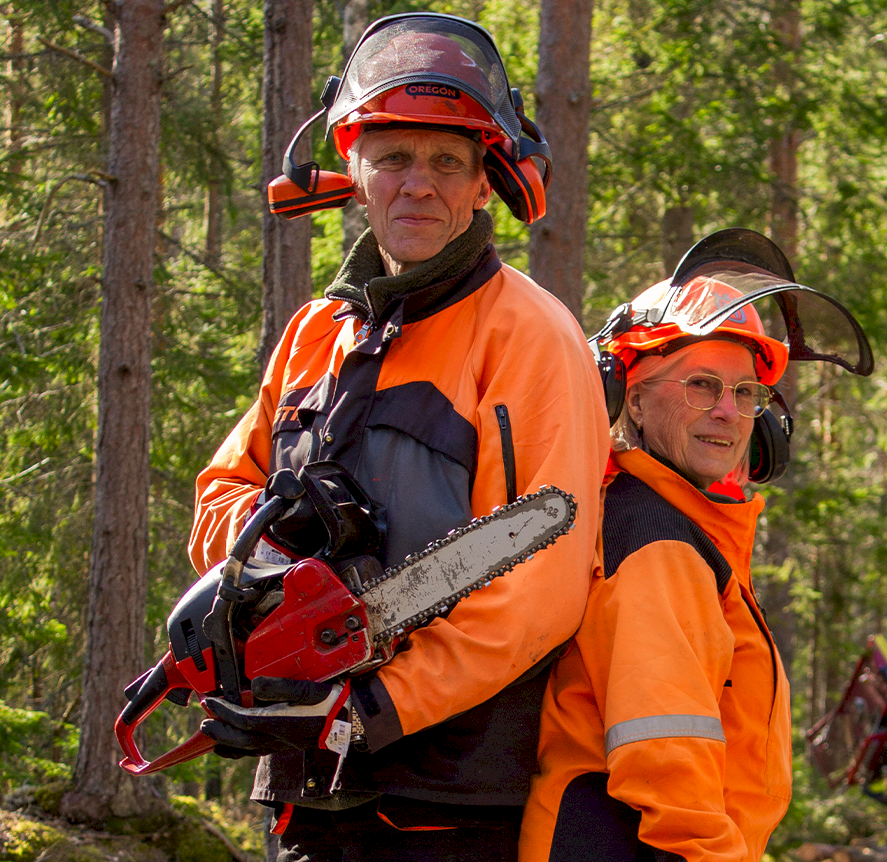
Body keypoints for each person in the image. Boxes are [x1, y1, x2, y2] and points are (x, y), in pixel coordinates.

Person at [185, 12, 609, 862]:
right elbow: (219, 494)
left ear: (484, 181)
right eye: (394, 158)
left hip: (447, 793)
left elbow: (543, 582)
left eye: (446, 161)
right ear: (354, 169)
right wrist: (275, 559)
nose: (419, 184)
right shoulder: (317, 330)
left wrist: (378, 705)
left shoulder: (528, 335)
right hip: (305, 777)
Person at [519, 230, 873, 862]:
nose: (728, 412)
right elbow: (666, 762)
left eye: (745, 394)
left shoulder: (679, 528)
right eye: (702, 385)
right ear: (634, 399)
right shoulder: (659, 543)